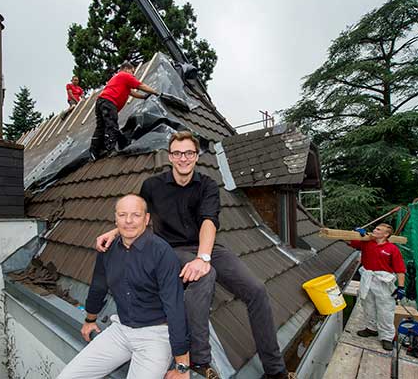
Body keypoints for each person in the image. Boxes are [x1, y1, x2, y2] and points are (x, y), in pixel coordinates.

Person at [95, 131, 297, 379]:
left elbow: (208, 222)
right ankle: (199, 361)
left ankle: (275, 371)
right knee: (205, 277)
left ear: (196, 156)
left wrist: (203, 257)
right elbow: (136, 215)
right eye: (178, 153)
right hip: (169, 250)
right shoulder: (152, 186)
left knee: (256, 290)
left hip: (205, 245)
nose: (183, 158)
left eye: (189, 153)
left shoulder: (208, 185)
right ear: (170, 156)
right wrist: (115, 232)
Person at [57, 194, 191, 379]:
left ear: (146, 219)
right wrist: (89, 320)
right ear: (115, 218)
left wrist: (182, 365)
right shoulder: (108, 249)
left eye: (136, 215)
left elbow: (174, 306)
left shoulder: (162, 253)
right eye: (122, 214)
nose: (128, 221)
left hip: (155, 336)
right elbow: (98, 286)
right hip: (121, 329)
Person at [349, 223, 406, 351]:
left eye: (378, 229)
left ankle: (387, 337)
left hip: (383, 282)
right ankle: (371, 328)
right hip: (368, 279)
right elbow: (348, 241)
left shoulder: (392, 249)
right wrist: (355, 232)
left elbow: (400, 269)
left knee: (385, 309)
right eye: (375, 228)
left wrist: (400, 287)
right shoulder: (366, 243)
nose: (374, 230)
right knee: (368, 304)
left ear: (386, 234)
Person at [89, 61, 159, 160]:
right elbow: (140, 85)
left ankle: (94, 152)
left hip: (101, 102)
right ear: (126, 69)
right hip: (109, 101)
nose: (133, 74)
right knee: (111, 124)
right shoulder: (125, 75)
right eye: (132, 71)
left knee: (101, 127)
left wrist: (143, 97)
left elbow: (131, 92)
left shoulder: (118, 78)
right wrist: (156, 92)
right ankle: (110, 149)